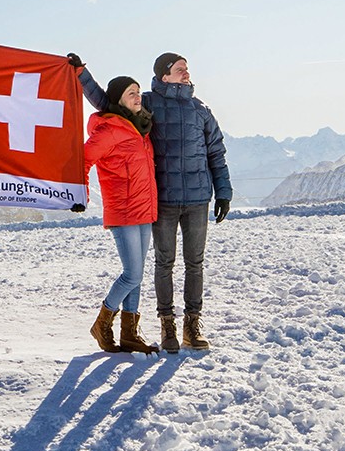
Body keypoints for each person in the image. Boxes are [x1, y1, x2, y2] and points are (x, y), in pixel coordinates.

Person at [71, 51, 230, 353]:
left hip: (197, 198)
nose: (187, 73)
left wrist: (223, 190)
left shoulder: (201, 110)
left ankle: (191, 325)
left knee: (194, 264)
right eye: (180, 69)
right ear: (163, 75)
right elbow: (107, 102)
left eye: (187, 69)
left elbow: (215, 153)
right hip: (164, 200)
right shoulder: (149, 104)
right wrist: (81, 75)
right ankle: (167, 324)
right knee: (163, 264)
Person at [82, 75, 159, 355]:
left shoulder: (141, 129)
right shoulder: (110, 130)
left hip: (144, 210)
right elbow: (83, 159)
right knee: (132, 274)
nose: (138, 97)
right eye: (131, 93)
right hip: (124, 211)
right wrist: (82, 197)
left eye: (138, 92)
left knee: (137, 275)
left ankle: (129, 334)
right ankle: (102, 322)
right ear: (118, 100)